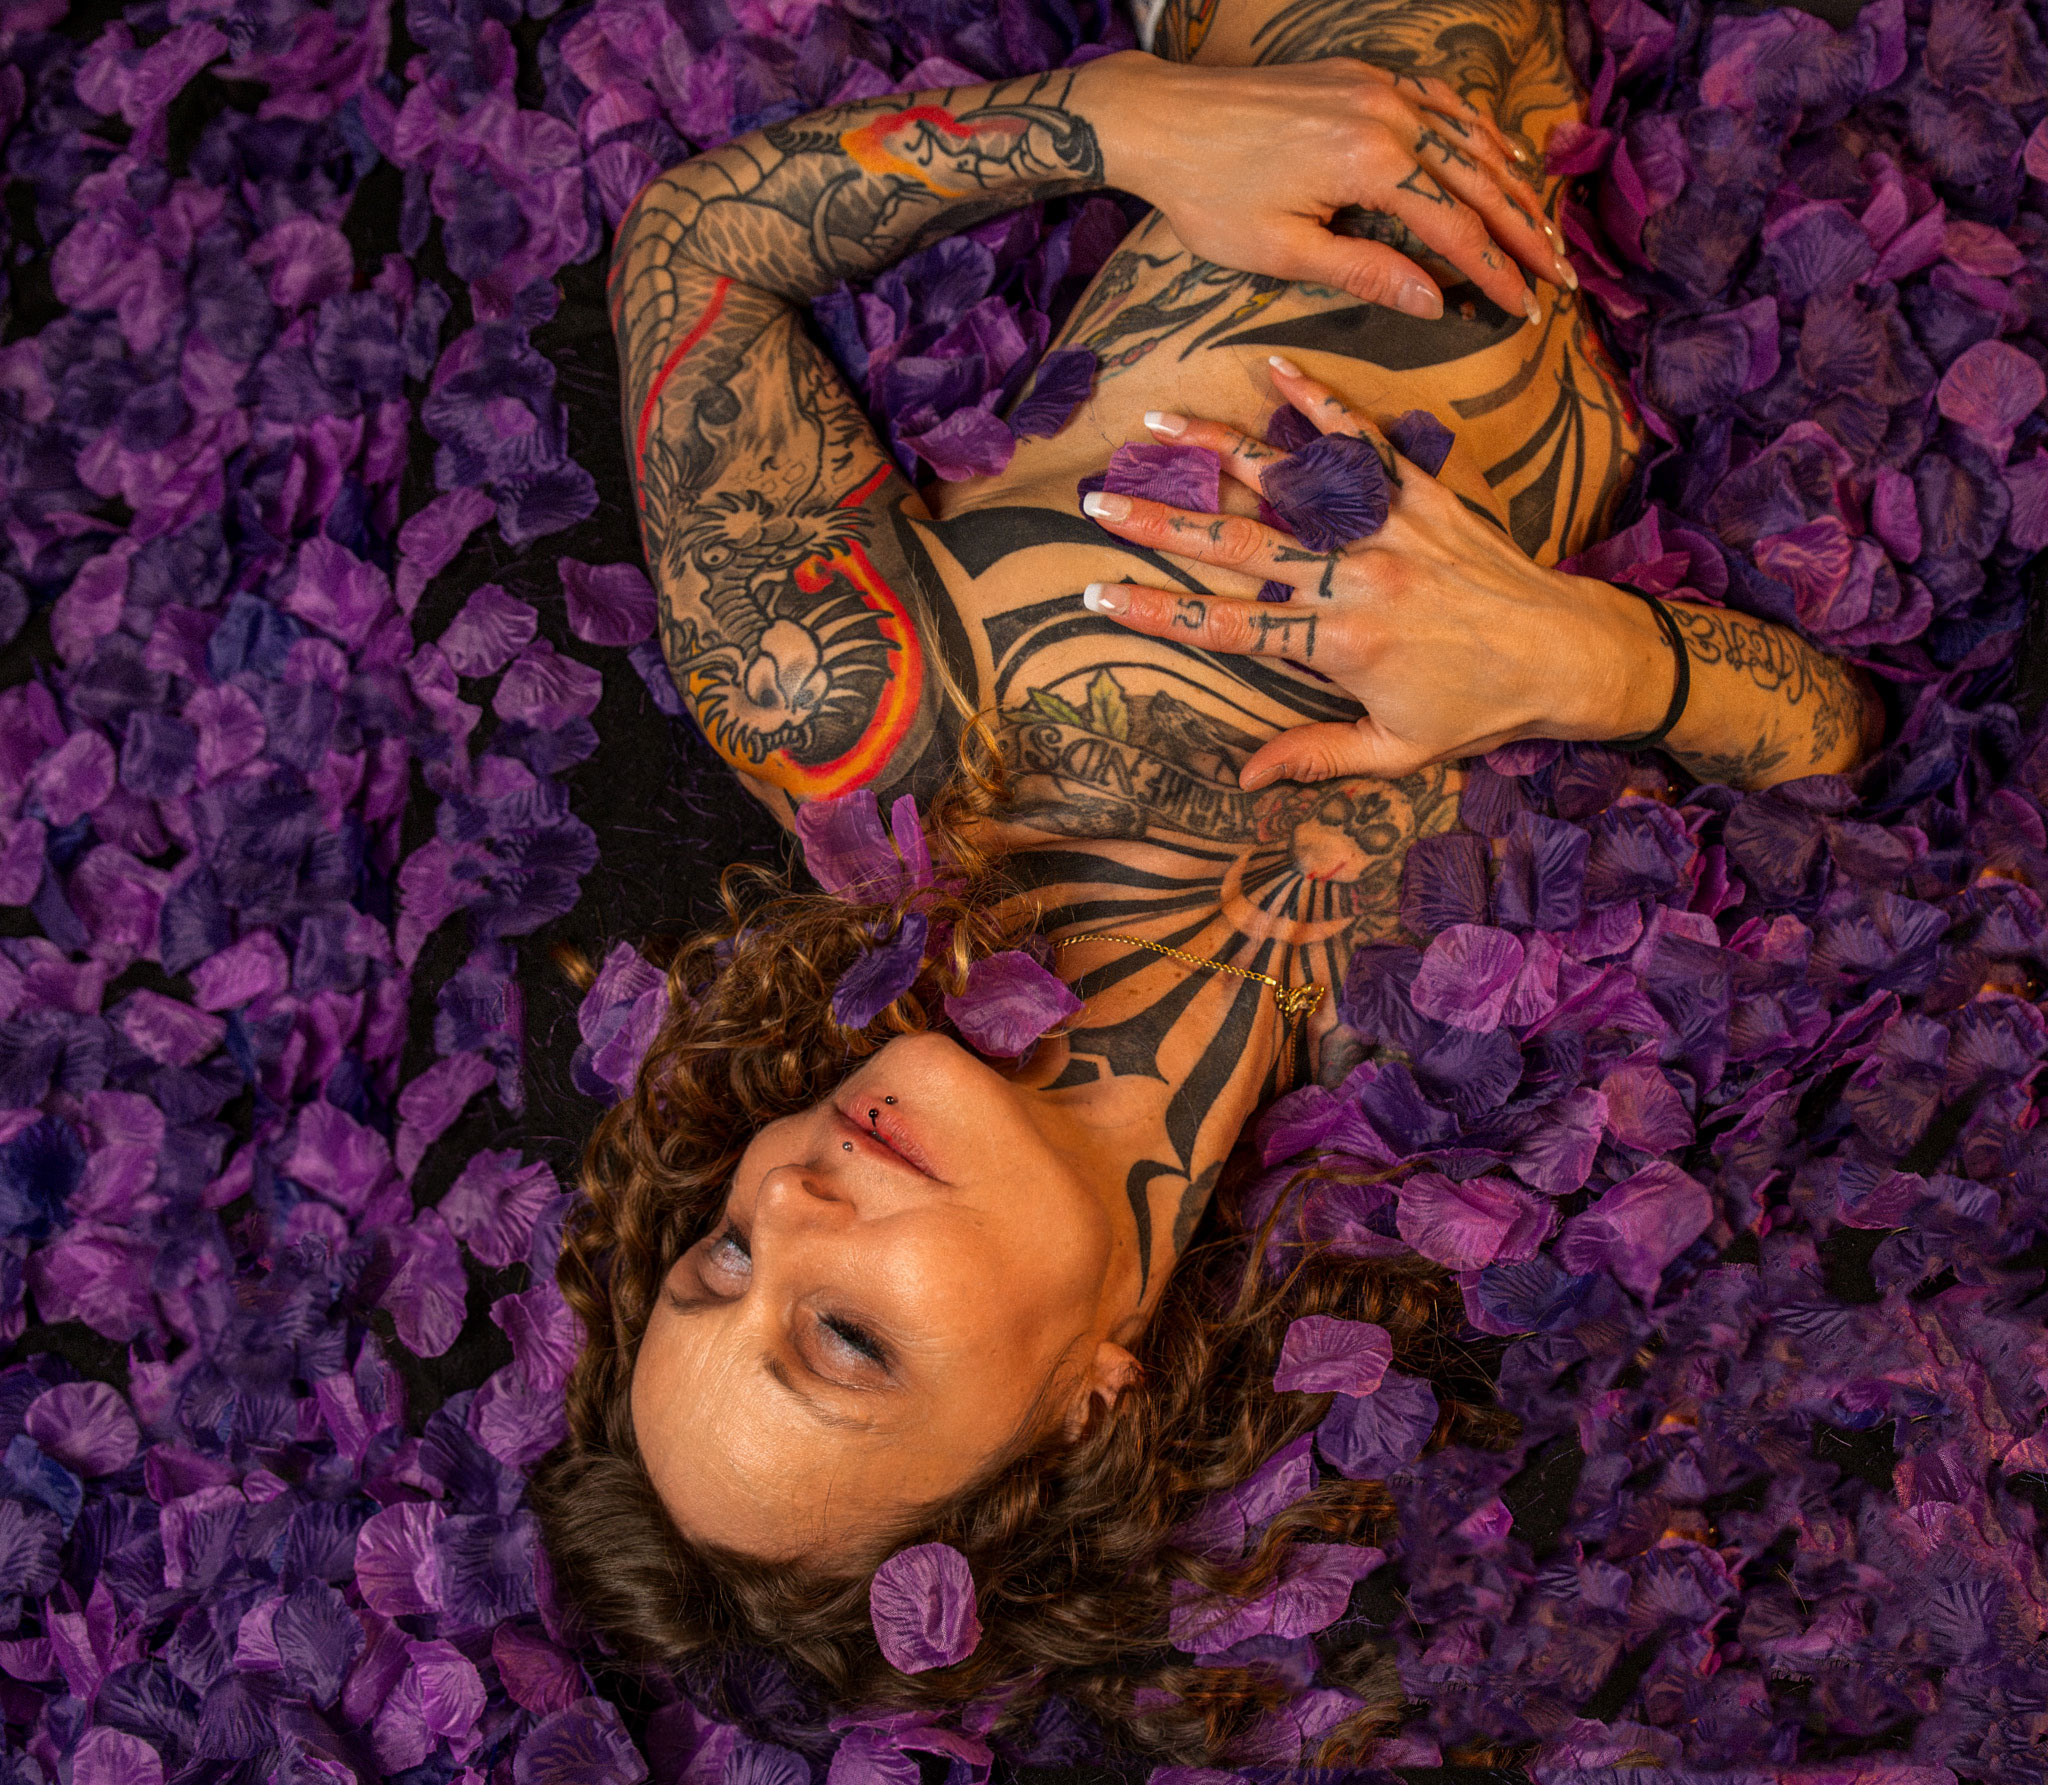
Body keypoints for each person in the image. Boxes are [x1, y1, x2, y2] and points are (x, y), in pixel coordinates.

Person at [530, 0, 1885, 1760]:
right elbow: (1839, 745)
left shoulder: (866, 728)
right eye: (844, 1336)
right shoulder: (1458, 1061)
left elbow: (691, 249)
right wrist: (1592, 658)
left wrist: (1119, 121)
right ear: (1077, 1415)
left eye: (722, 1254)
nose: (788, 1205)